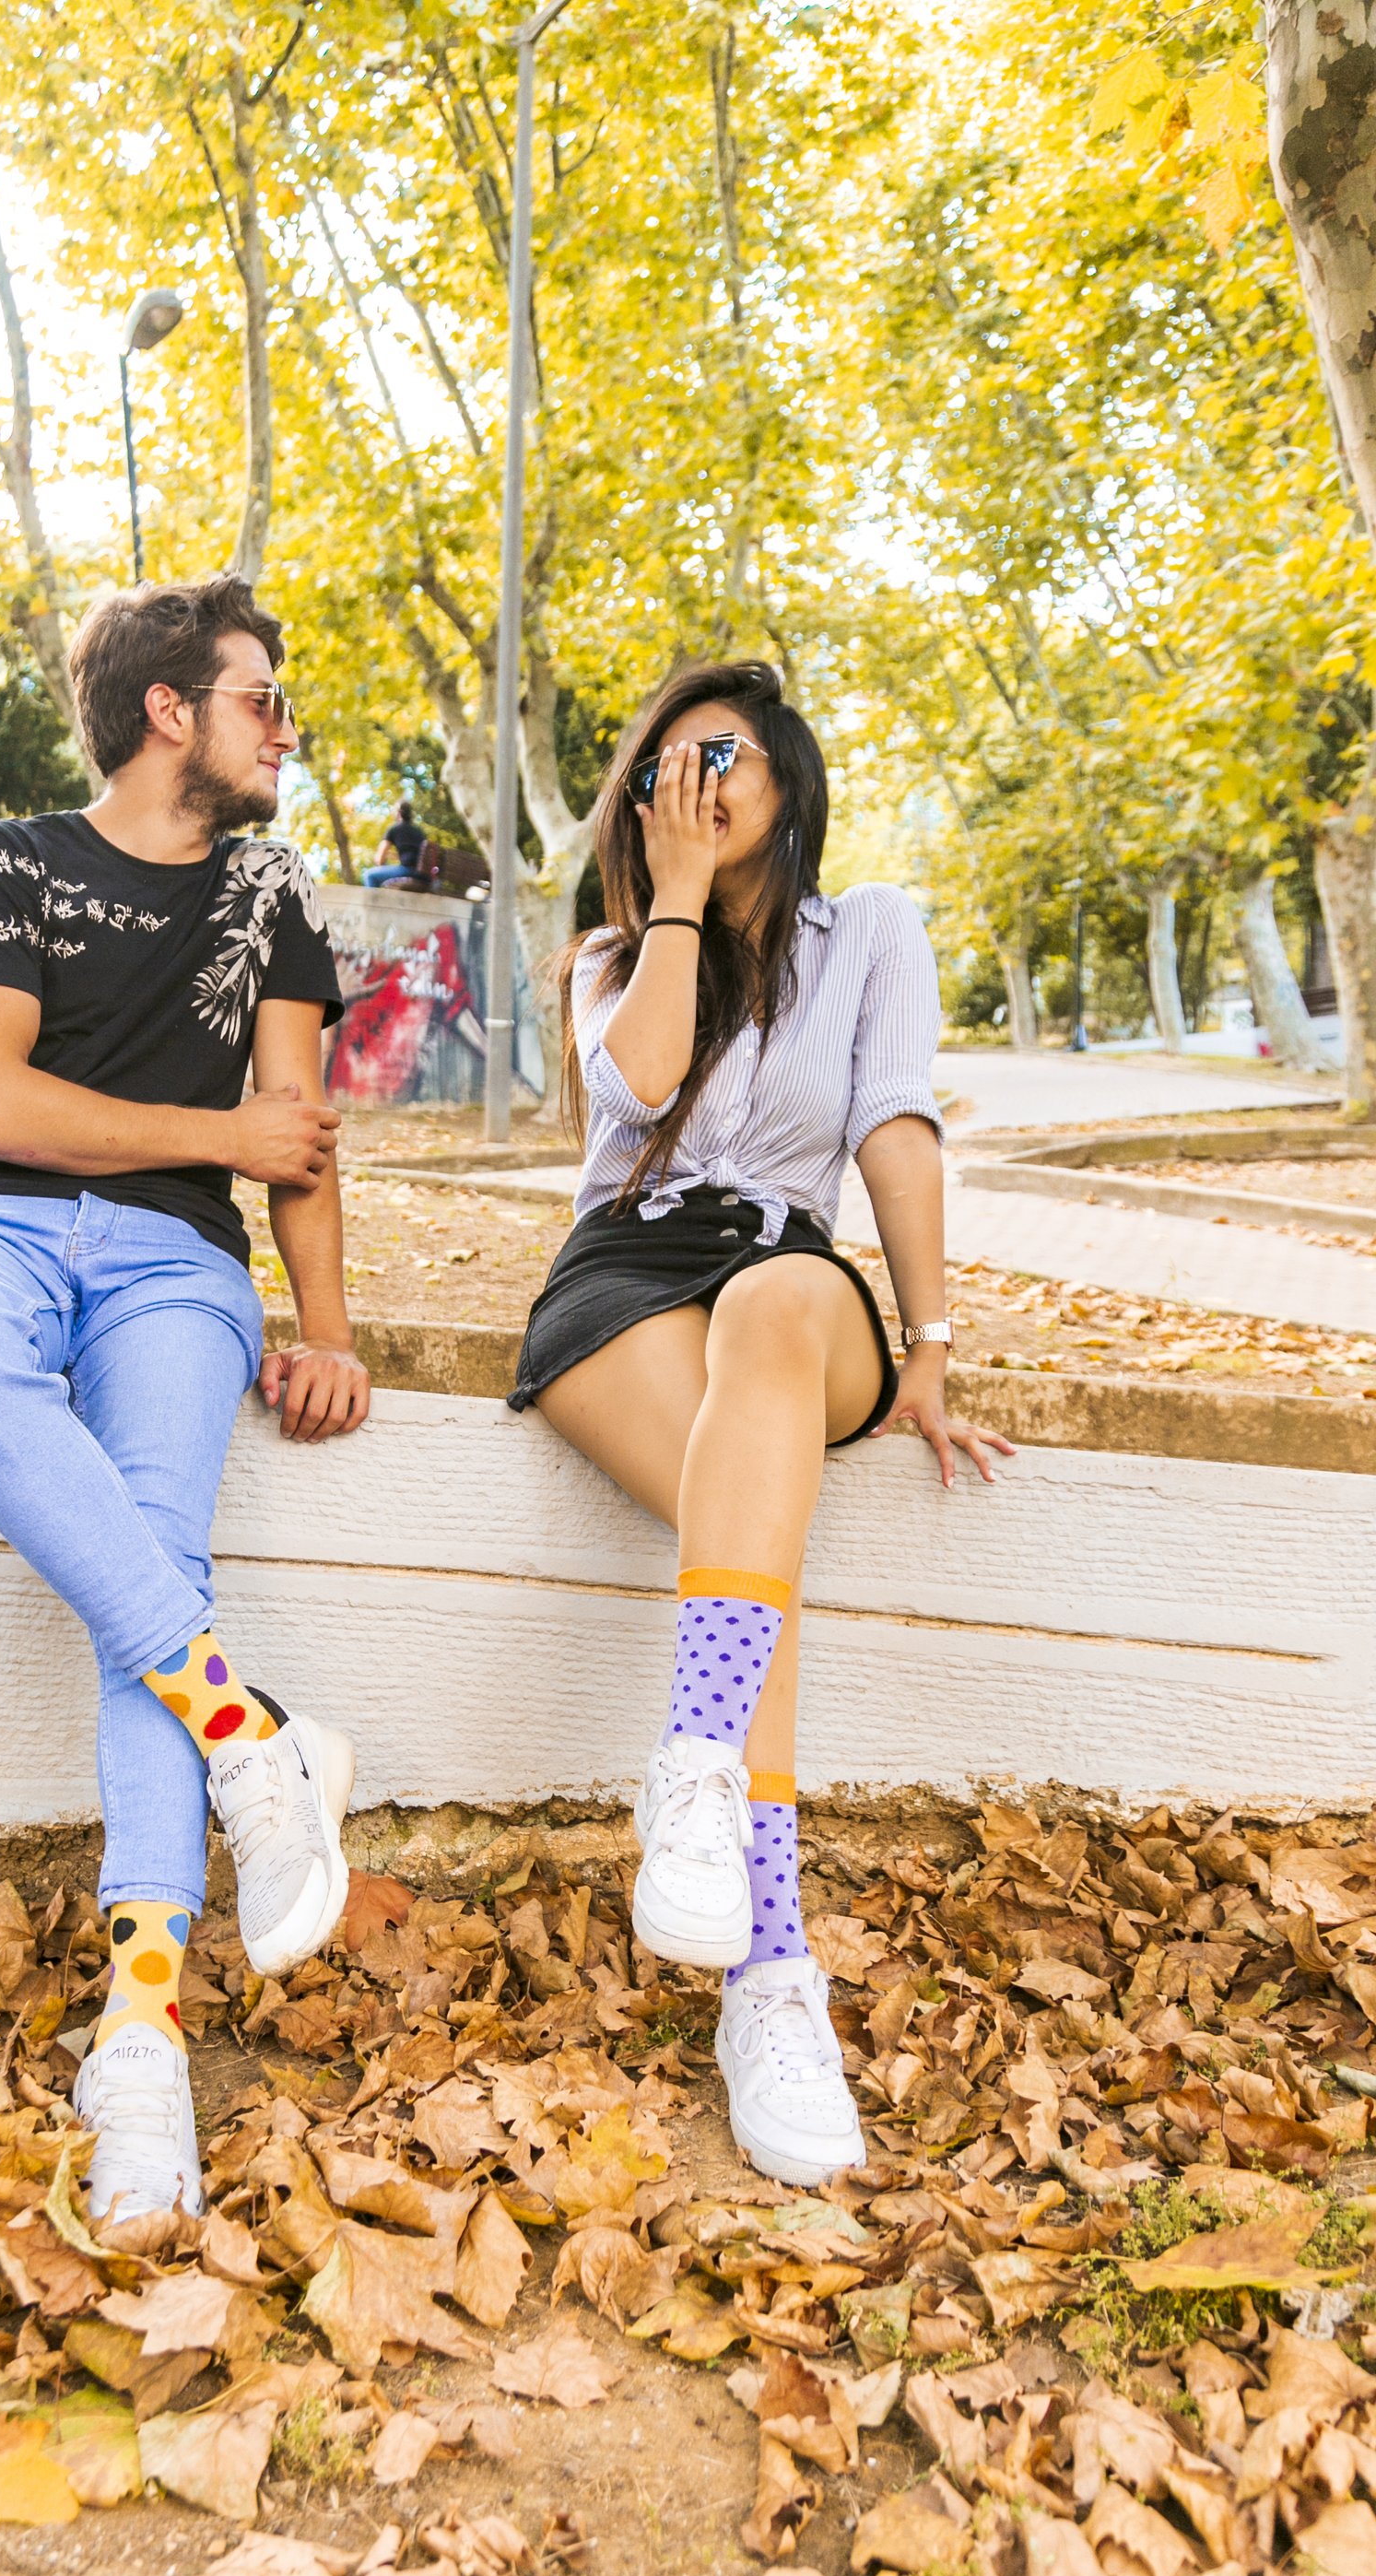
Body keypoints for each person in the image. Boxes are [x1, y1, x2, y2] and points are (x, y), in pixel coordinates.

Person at [0, 573, 370, 2227]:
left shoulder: (268, 891)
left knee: (150, 1563)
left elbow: (299, 1137)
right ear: (170, 709)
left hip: (174, 1268)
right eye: (260, 700)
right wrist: (216, 1135)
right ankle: (250, 1737)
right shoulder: (5, 860)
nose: (283, 730)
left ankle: (139, 2039)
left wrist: (329, 1328)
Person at [509, 658, 1011, 2188]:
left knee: (779, 1302)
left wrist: (929, 1343)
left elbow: (895, 1131)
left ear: (788, 776)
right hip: (621, 1279)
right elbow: (649, 1077)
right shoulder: (612, 958)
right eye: (665, 766)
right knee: (753, 1551)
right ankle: (771, 1969)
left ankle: (695, 1767)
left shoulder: (872, 933)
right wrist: (674, 898)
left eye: (721, 754)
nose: (694, 782)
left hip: (788, 1285)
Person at [364, 799, 427, 888]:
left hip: (407, 871)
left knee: (370, 875)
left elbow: (380, 859)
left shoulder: (394, 829)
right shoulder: (419, 831)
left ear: (399, 813)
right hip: (423, 875)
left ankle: (373, 897)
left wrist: (380, 861)